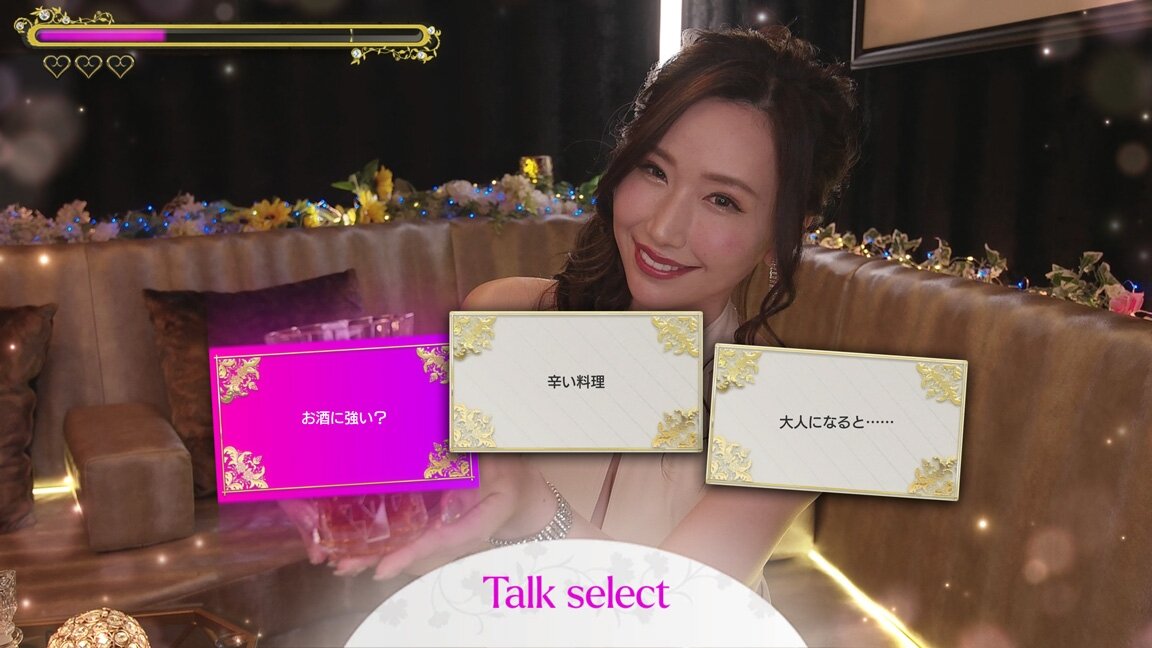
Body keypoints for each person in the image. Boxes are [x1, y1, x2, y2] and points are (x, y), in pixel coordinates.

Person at [333, 25, 859, 593]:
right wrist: (349, 476)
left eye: (722, 200)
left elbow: (682, 615)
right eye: (655, 170)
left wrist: (534, 512)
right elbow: (440, 551)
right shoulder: (506, 319)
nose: (663, 228)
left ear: (785, 233)